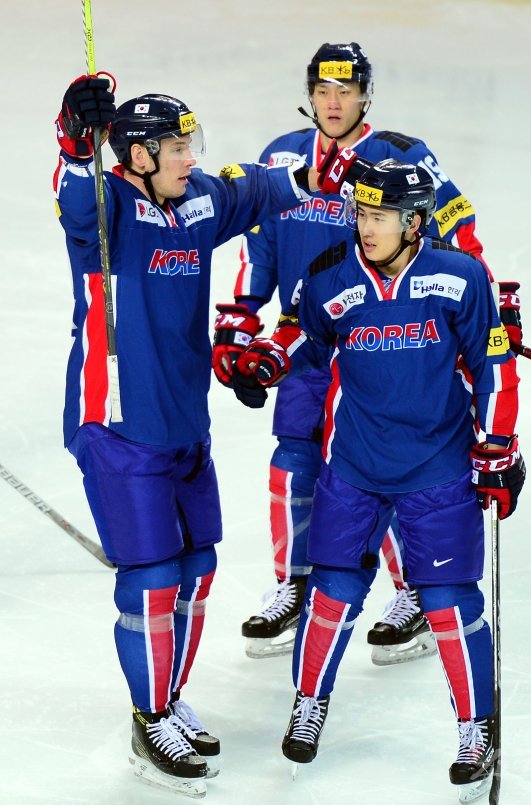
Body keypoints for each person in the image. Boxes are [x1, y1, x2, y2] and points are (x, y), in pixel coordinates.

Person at [53, 72, 334, 797]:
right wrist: (76, 142)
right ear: (138, 155)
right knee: (150, 578)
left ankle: (167, 697)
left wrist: (339, 178)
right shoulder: (110, 207)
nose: (191, 157)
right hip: (119, 427)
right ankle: (149, 723)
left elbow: (275, 188)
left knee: (197, 565)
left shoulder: (201, 198)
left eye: (192, 144)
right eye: (177, 147)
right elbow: (75, 196)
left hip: (184, 423)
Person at [233, 158, 525, 800]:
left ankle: (476, 727)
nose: (366, 226)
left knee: (449, 599)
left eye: (380, 216)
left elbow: (494, 368)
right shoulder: (332, 281)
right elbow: (303, 342)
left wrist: (498, 445)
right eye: (360, 213)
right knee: (332, 591)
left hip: (438, 470)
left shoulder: (460, 279)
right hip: (353, 469)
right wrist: (262, 364)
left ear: (415, 223)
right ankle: (309, 702)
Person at [212, 42, 513, 666]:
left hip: (385, 338)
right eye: (323, 90)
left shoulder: (400, 156)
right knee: (293, 457)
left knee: (392, 463)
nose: (333, 102)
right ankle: (296, 583)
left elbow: (455, 223)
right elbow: (259, 247)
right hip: (305, 337)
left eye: (345, 91)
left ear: (364, 96)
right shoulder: (283, 157)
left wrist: (481, 295)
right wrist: (241, 321)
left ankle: (413, 593)